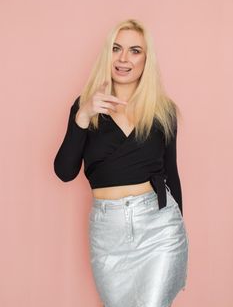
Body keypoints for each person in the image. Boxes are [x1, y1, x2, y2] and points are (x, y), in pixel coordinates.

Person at [53, 18, 189, 307]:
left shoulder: (163, 111)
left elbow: (172, 175)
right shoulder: (86, 106)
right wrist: (83, 116)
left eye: (135, 50)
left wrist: (180, 233)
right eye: (117, 48)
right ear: (108, 54)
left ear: (146, 59)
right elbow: (64, 172)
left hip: (159, 227)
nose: (124, 58)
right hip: (107, 230)